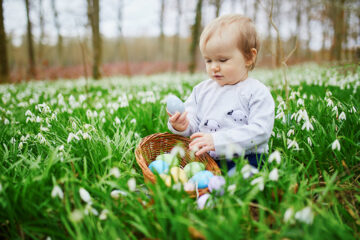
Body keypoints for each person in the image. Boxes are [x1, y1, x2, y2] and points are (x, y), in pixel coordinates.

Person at [167, 14, 274, 171]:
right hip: (207, 158)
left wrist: (217, 141)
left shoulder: (257, 92)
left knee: (240, 181)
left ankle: (230, 189)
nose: (214, 67)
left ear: (249, 57)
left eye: (222, 60)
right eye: (208, 60)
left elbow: (260, 131)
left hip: (245, 159)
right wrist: (182, 125)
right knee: (187, 175)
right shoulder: (201, 90)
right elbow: (194, 125)